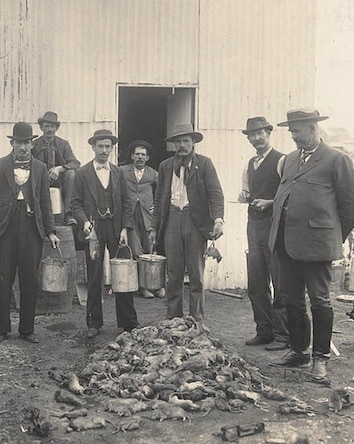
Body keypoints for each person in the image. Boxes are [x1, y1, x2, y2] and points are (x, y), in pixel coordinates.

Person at [268, 108, 354, 382]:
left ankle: (320, 359)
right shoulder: (290, 160)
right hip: (287, 242)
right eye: (292, 131)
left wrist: (332, 236)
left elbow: (352, 206)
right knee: (292, 299)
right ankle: (299, 350)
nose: (293, 136)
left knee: (319, 300)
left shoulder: (337, 160)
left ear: (313, 128)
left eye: (297, 131)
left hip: (317, 245)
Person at [0, 122, 60, 343]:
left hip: (30, 228)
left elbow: (45, 202)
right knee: (5, 279)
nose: (24, 147)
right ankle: (2, 329)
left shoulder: (40, 168)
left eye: (27, 142)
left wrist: (51, 231)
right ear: (12, 143)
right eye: (19, 142)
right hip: (5, 229)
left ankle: (27, 329)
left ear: (31, 144)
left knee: (29, 281)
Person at [69, 129, 139, 338]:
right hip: (94, 231)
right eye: (100, 146)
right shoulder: (82, 174)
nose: (104, 150)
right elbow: (75, 204)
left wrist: (125, 228)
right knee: (94, 276)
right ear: (93, 147)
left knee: (122, 274)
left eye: (108, 146)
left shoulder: (119, 173)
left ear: (111, 148)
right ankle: (93, 323)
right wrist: (84, 224)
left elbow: (127, 203)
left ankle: (128, 322)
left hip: (116, 229)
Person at [152, 122, 225, 321]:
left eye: (186, 140)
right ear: (174, 144)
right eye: (178, 141)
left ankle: (196, 319)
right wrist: (153, 226)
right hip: (172, 221)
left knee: (196, 273)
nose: (182, 145)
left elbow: (216, 194)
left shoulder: (205, 164)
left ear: (193, 142)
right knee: (173, 274)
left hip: (196, 221)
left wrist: (218, 219)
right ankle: (173, 318)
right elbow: (158, 199)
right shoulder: (166, 166)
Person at [237, 116, 290, 350]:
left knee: (279, 280)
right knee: (256, 282)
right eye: (252, 134)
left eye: (260, 133)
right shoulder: (249, 164)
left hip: (274, 225)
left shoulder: (282, 161)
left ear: (269, 134)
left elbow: (290, 193)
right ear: (248, 138)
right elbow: (246, 191)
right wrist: (244, 196)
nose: (257, 138)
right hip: (253, 226)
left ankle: (283, 335)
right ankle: (264, 331)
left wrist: (270, 202)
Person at [120, 139, 163, 298]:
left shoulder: (153, 173)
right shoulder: (123, 171)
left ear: (147, 158)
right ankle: (143, 287)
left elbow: (163, 190)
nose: (140, 157)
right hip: (130, 215)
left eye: (143, 155)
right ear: (132, 156)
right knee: (136, 250)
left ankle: (156, 285)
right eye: (137, 154)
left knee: (150, 249)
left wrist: (157, 207)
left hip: (147, 215)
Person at [31, 111, 80, 223]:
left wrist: (59, 169)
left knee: (71, 174)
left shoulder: (63, 144)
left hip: (59, 181)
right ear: (41, 128)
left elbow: (75, 163)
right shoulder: (34, 144)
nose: (49, 130)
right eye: (46, 126)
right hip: (39, 179)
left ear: (56, 128)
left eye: (52, 126)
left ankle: (68, 214)